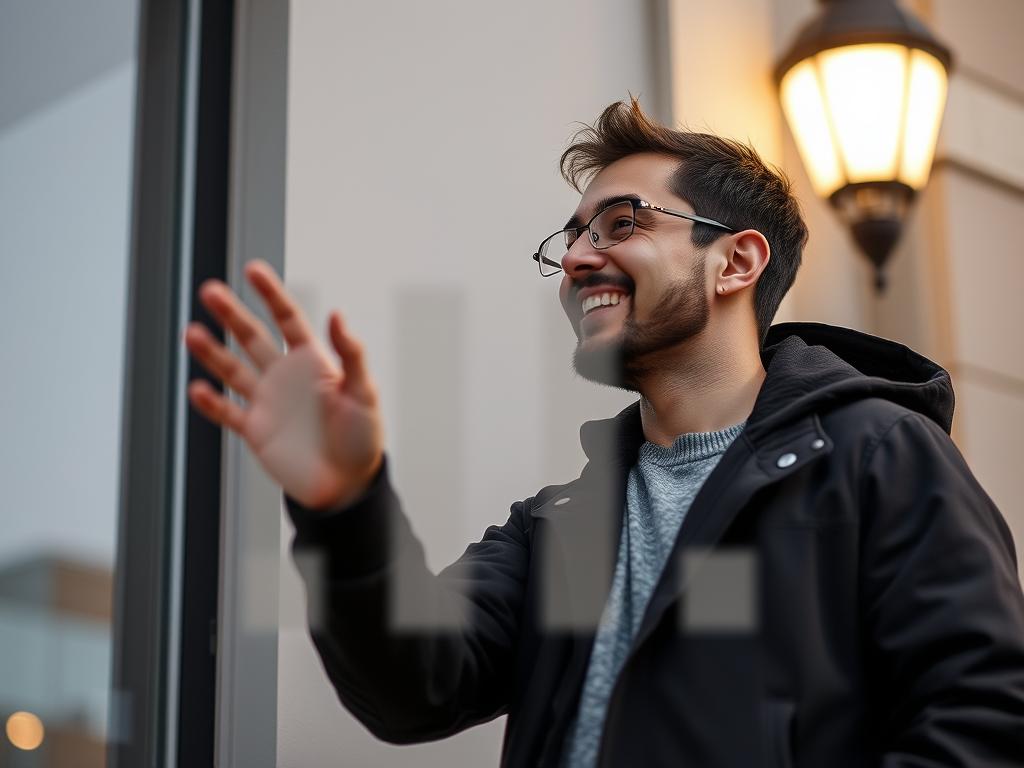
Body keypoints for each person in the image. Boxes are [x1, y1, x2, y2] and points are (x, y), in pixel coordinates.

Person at [183, 99, 1024, 767]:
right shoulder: (558, 525)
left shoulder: (878, 454)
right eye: (573, 237)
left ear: (736, 261)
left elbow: (987, 717)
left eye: (622, 223)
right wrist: (344, 504)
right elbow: (412, 688)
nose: (579, 257)